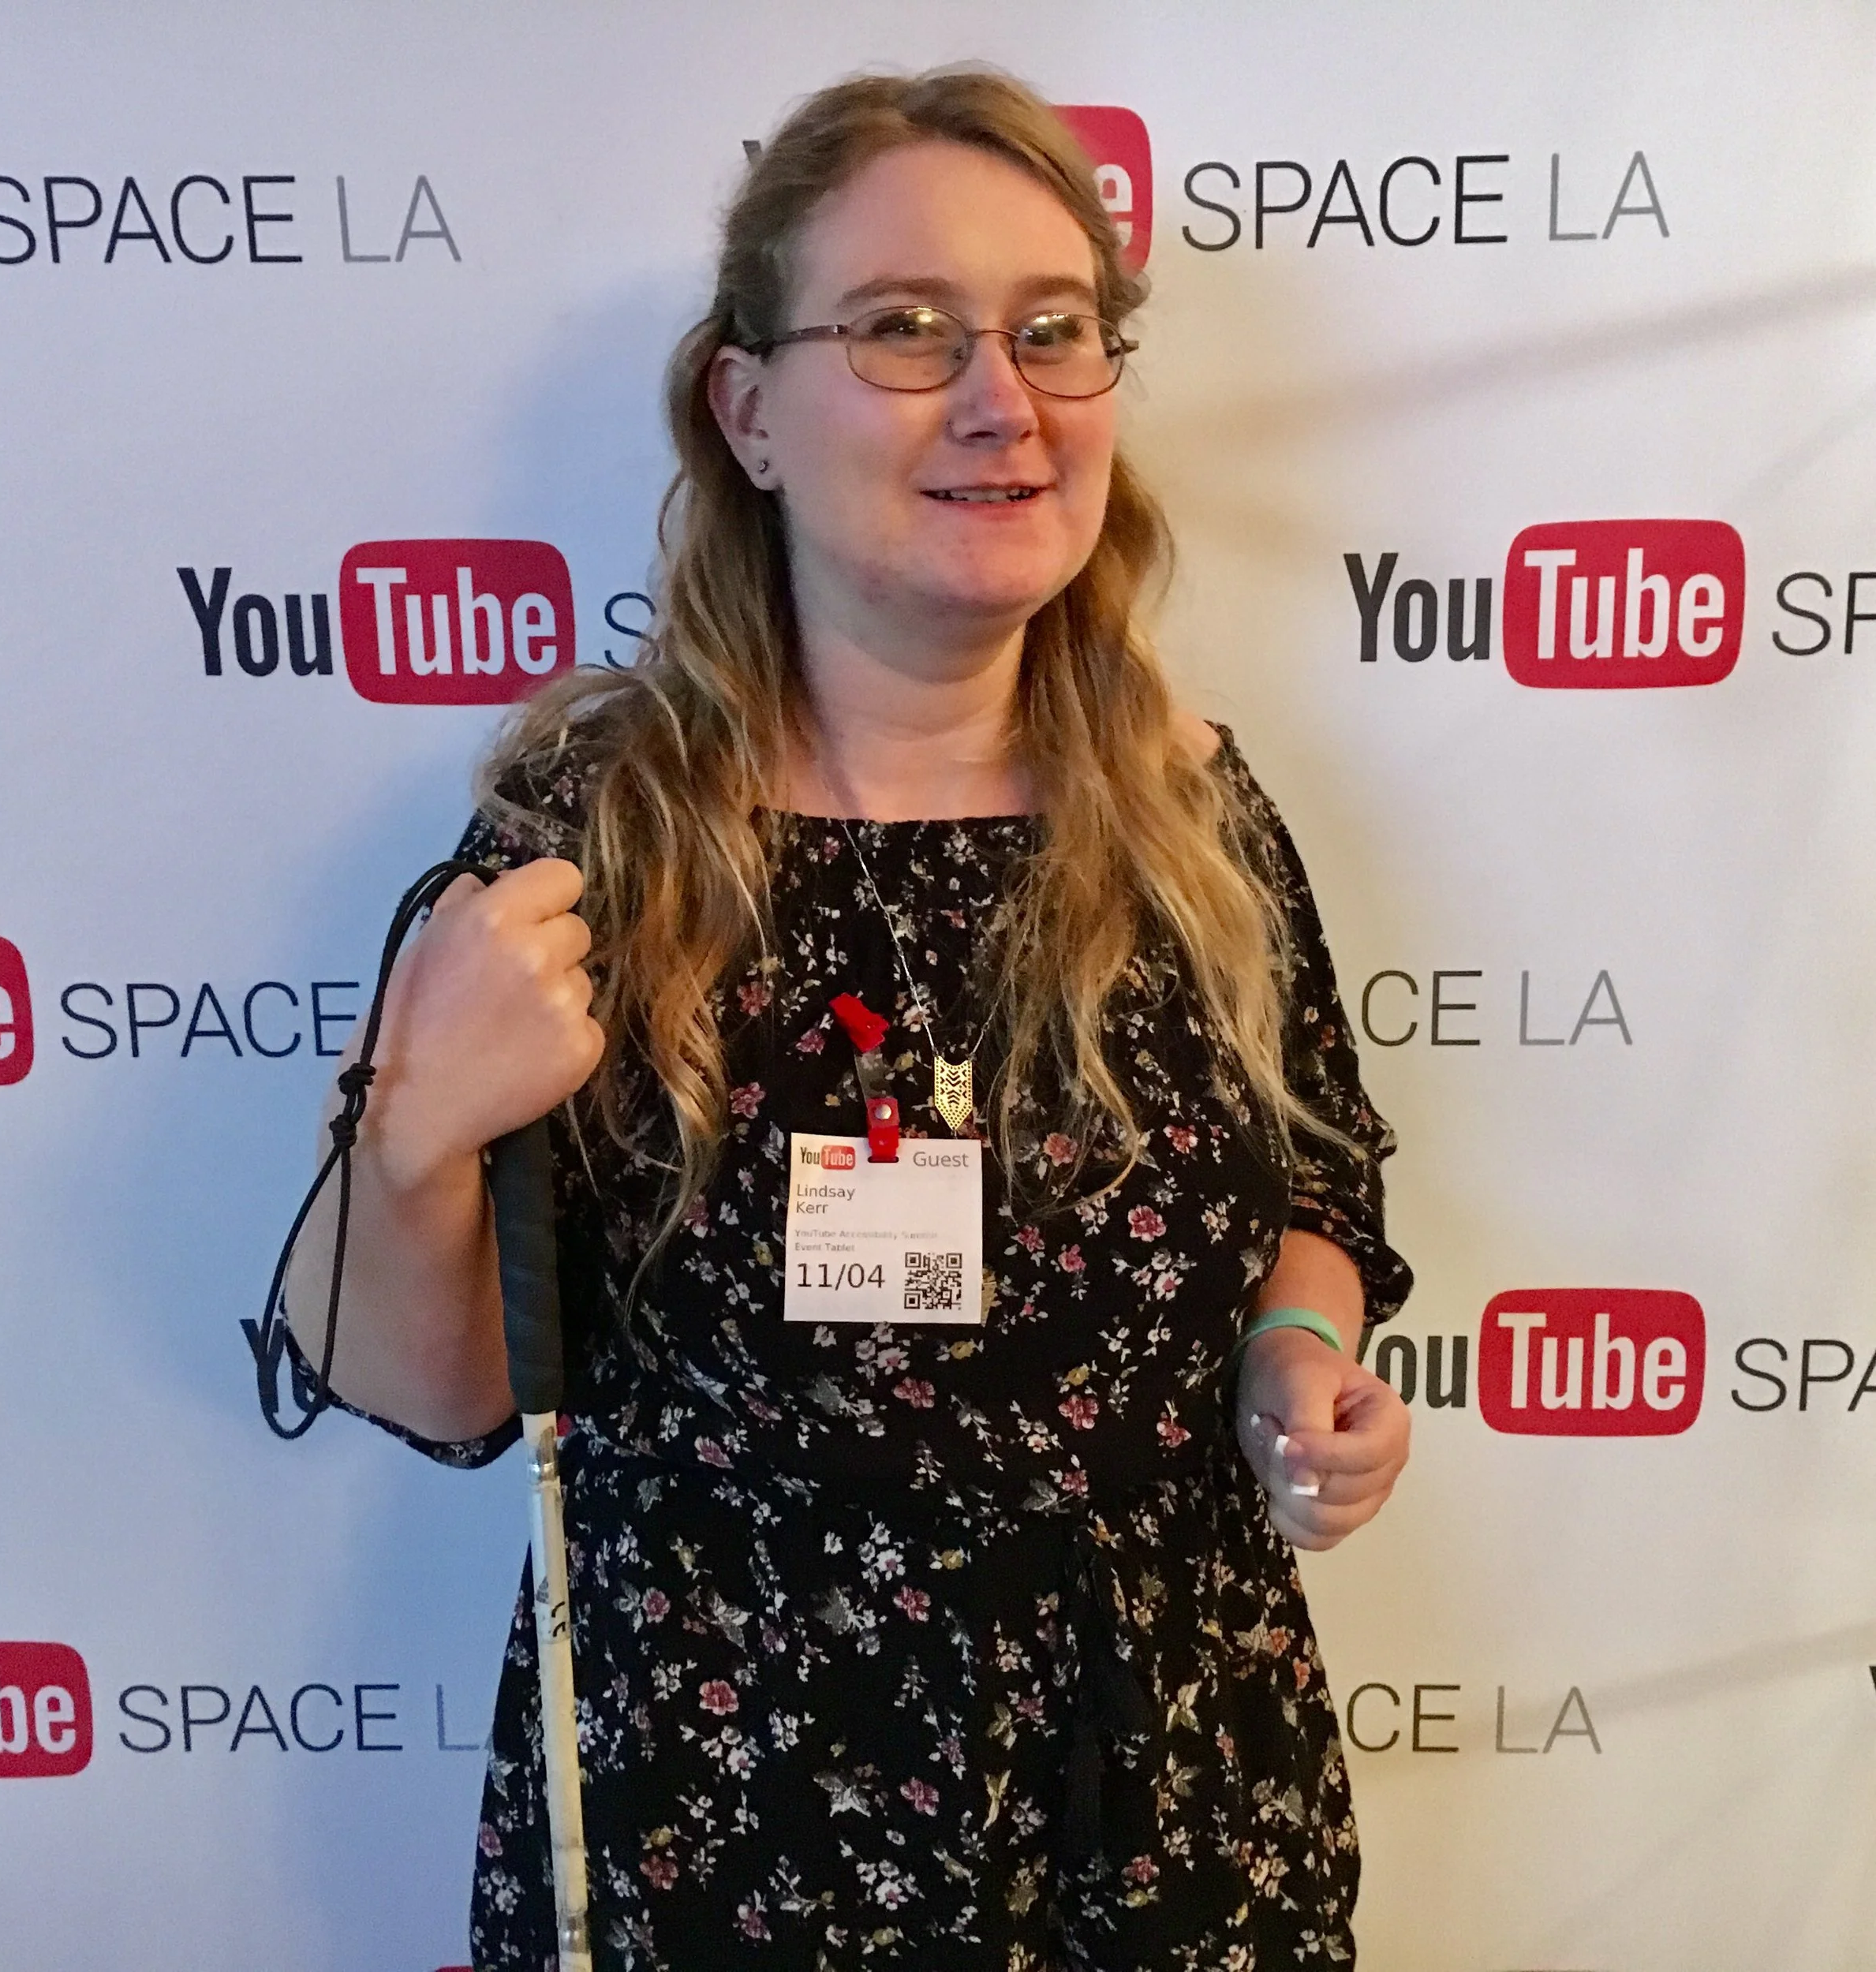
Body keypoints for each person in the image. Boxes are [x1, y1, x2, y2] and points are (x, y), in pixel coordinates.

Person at [289, 65, 1413, 1972]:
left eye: (1054, 332)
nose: (1004, 400)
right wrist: (412, 1122)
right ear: (746, 407)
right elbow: (429, 1383)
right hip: (727, 1806)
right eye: (905, 330)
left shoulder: (1193, 811)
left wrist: (1298, 1344)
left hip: (1171, 1789)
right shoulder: (590, 839)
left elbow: (1322, 1167)